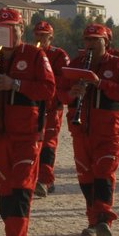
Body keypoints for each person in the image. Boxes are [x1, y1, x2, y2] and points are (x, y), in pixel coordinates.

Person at [0, 7, 55, 236]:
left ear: (20, 30)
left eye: (12, 28)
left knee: (21, 190)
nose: (7, 34)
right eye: (2, 29)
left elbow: (48, 89)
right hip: (0, 134)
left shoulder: (35, 55)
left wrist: (15, 85)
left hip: (26, 134)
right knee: (4, 193)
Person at [64, 23, 119, 236]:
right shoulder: (76, 64)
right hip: (80, 128)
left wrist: (100, 82)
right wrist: (71, 92)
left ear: (106, 42)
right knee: (86, 176)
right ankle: (93, 220)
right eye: (88, 40)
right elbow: (57, 94)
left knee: (104, 173)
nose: (91, 44)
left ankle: (104, 220)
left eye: (96, 40)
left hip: (108, 129)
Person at [32, 19, 69, 197]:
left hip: (52, 107)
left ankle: (44, 181)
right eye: (38, 35)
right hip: (34, 107)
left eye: (44, 36)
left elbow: (64, 80)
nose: (40, 38)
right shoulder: (30, 53)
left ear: (51, 37)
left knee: (48, 145)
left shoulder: (59, 55)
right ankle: (44, 179)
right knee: (35, 144)